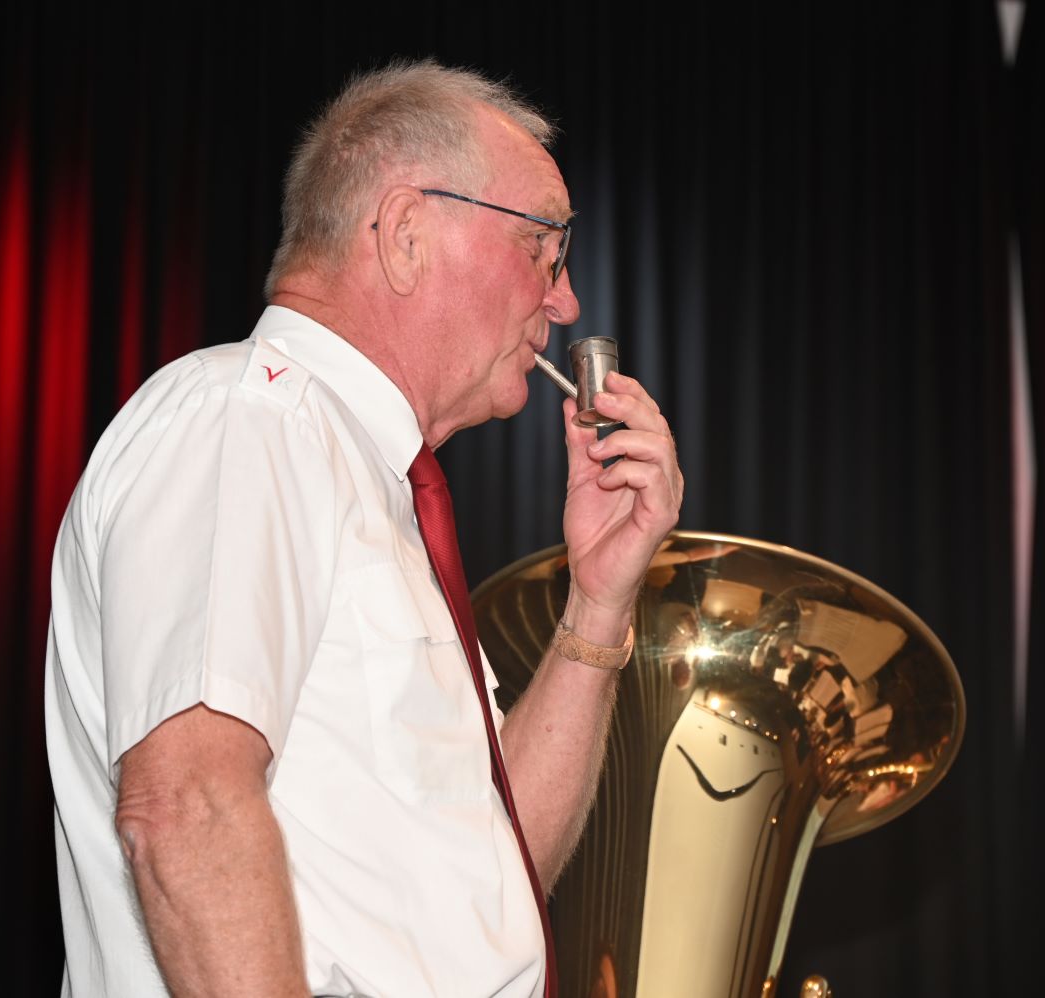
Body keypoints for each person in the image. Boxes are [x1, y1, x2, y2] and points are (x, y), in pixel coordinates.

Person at [44, 59, 683, 997]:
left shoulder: (361, 479)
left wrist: (597, 603)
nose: (565, 300)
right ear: (406, 233)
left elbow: (491, 886)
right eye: (544, 248)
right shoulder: (249, 417)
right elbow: (186, 808)